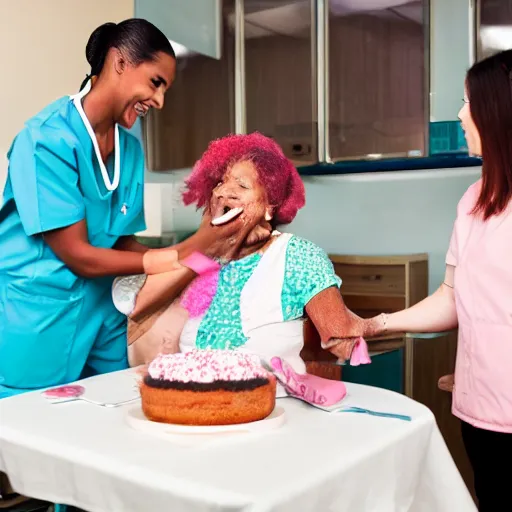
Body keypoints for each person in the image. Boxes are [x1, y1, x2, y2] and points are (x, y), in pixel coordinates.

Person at [0, 19, 265, 399]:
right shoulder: (45, 141)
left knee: (113, 406)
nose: (159, 101)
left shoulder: (131, 149)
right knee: (30, 430)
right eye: (156, 82)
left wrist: (195, 259)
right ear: (119, 62)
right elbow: (80, 256)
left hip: (102, 310)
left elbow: (122, 241)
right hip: (39, 310)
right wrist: (183, 251)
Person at [341, 49, 512, 512]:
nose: (459, 114)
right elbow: (451, 297)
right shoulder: (475, 200)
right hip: (479, 415)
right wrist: (373, 325)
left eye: (468, 102)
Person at [112, 133, 370, 385]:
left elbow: (340, 339)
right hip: (194, 397)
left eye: (242, 186)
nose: (226, 192)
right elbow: (138, 304)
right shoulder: (201, 255)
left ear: (269, 208)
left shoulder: (296, 255)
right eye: (221, 183)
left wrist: (375, 325)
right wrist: (208, 249)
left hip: (274, 404)